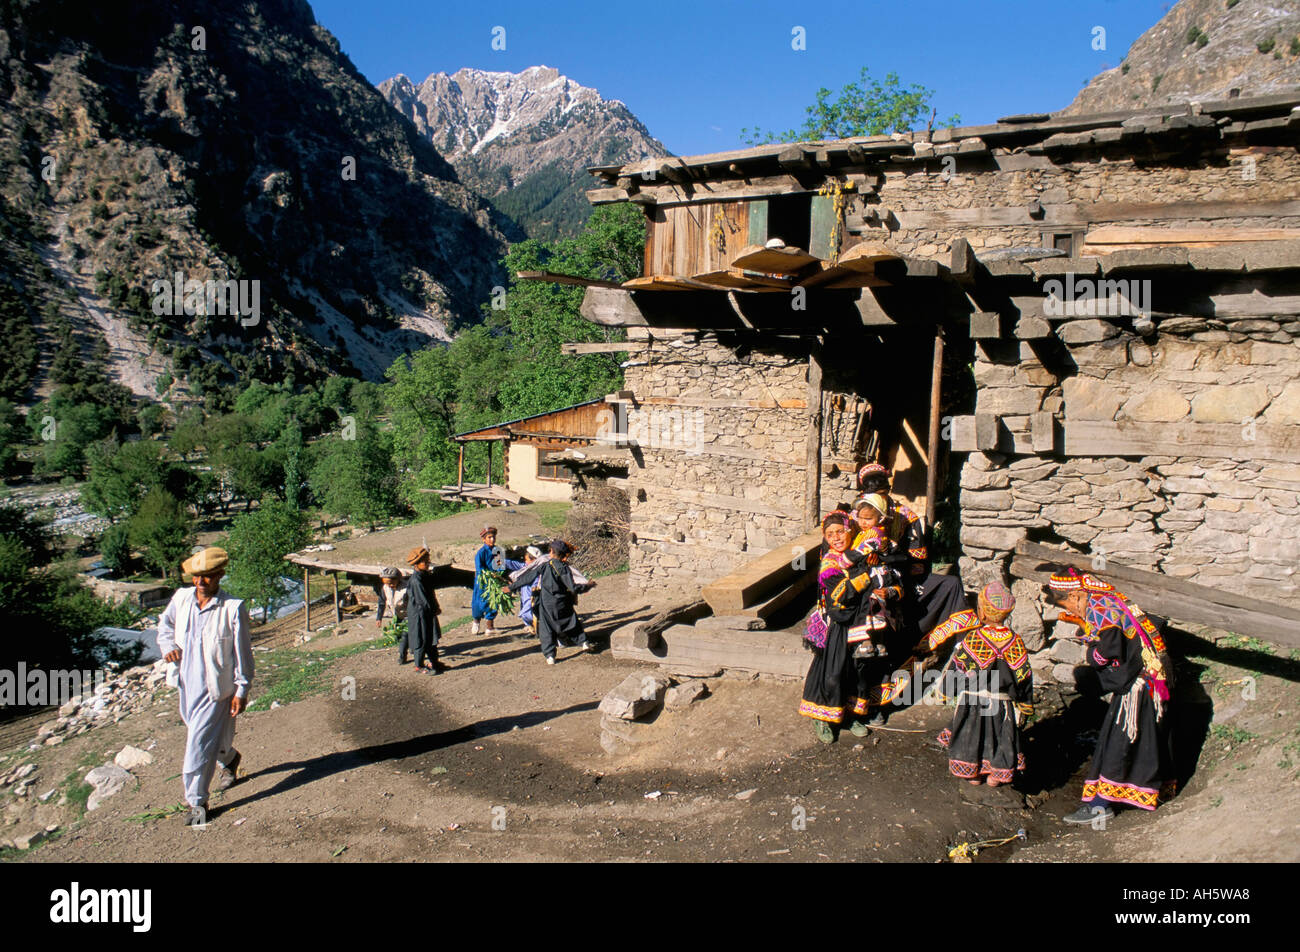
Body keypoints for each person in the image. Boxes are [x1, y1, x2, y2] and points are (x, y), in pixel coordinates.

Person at [1046, 567, 1176, 825]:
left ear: (1076, 597)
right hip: (1152, 676)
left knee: (1119, 740)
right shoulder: (1108, 598)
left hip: (1139, 684)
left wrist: (1091, 653)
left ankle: (1099, 806)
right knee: (1144, 737)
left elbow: (1109, 649)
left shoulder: (1098, 607)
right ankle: (1155, 791)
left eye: (1070, 606)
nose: (1073, 612)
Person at [155, 547, 253, 826]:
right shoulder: (181, 599)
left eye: (207, 577)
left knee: (197, 743)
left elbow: (243, 653)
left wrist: (241, 689)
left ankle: (196, 801)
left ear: (220, 575)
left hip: (216, 688)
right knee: (206, 737)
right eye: (197, 577)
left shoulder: (232, 608)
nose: (200, 583)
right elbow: (164, 626)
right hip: (186, 683)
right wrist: (168, 646)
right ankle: (230, 758)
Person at [928, 581, 1033, 787]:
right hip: (1002, 705)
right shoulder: (1016, 642)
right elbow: (1024, 676)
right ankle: (996, 775)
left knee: (971, 734)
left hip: (974, 701)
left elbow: (957, 668)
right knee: (1000, 736)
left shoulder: (975, 639)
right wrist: (1025, 704)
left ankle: (973, 773)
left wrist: (944, 693)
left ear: (982, 613)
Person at [857, 463, 967, 646]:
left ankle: (940, 643)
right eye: (871, 498)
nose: (877, 503)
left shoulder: (906, 516)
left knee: (951, 584)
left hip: (899, 575)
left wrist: (888, 563)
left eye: (882, 496)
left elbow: (917, 562)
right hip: (861, 578)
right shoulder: (854, 516)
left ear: (888, 492)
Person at [799, 512, 878, 743]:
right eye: (830, 534)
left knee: (856, 671)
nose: (836, 537)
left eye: (840, 531)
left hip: (860, 623)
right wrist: (866, 578)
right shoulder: (830, 563)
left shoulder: (859, 555)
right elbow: (842, 594)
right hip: (838, 625)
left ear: (850, 530)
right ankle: (821, 715)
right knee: (831, 672)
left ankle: (849, 714)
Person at [508, 539, 593, 664]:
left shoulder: (544, 566)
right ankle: (584, 642)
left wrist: (511, 587)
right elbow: (573, 587)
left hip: (547, 603)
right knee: (572, 622)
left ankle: (550, 656)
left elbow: (528, 577)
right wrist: (588, 586)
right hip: (563, 602)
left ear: (551, 552)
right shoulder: (565, 568)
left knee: (546, 629)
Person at [405, 546, 446, 674]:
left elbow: (431, 594)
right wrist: (433, 609)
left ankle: (435, 662)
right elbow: (422, 601)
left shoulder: (425, 576)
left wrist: (436, 606)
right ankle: (419, 666)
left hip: (427, 613)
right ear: (416, 564)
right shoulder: (416, 581)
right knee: (421, 639)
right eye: (425, 562)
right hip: (419, 615)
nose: (428, 564)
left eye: (428, 561)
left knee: (431, 638)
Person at [471, 526, 503, 636]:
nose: (492, 540)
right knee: (479, 602)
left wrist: (499, 576)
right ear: (483, 539)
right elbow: (479, 568)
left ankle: (490, 627)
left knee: (494, 602)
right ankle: (476, 621)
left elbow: (501, 567)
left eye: (493, 537)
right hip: (482, 582)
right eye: (489, 537)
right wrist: (488, 574)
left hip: (495, 581)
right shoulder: (481, 553)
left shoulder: (498, 551)